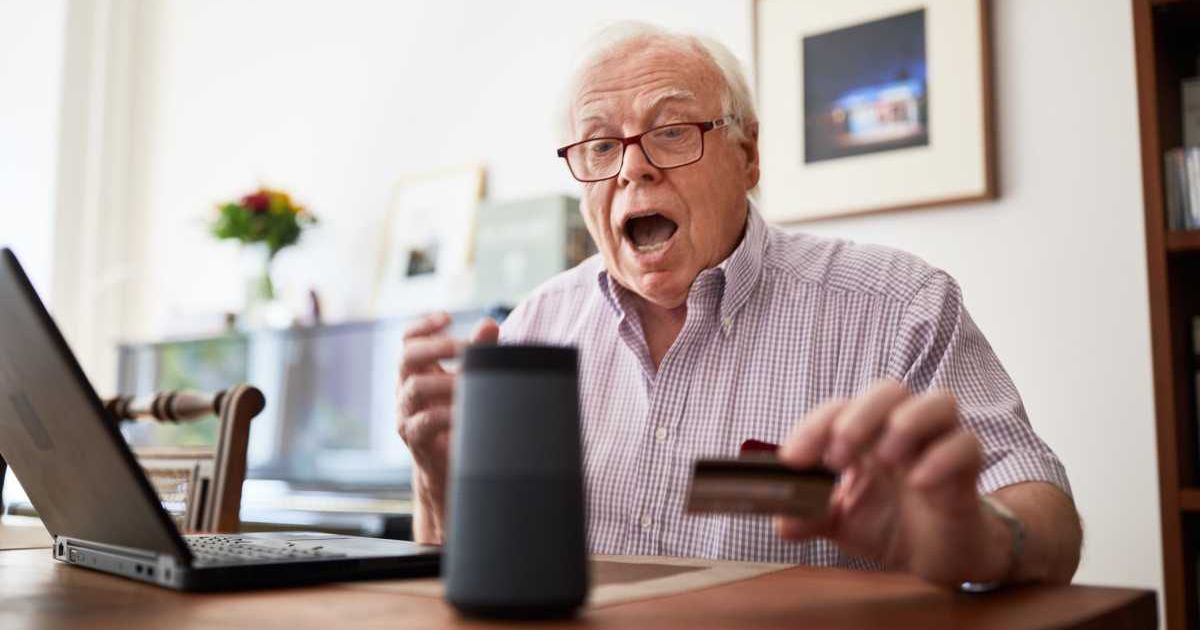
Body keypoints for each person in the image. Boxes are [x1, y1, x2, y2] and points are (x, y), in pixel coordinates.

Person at [396, 22, 1082, 588]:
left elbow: (1047, 518)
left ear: (747, 153)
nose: (633, 168)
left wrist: (979, 539)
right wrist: (437, 480)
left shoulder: (899, 307)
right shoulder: (533, 330)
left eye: (671, 130)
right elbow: (463, 582)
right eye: (601, 145)